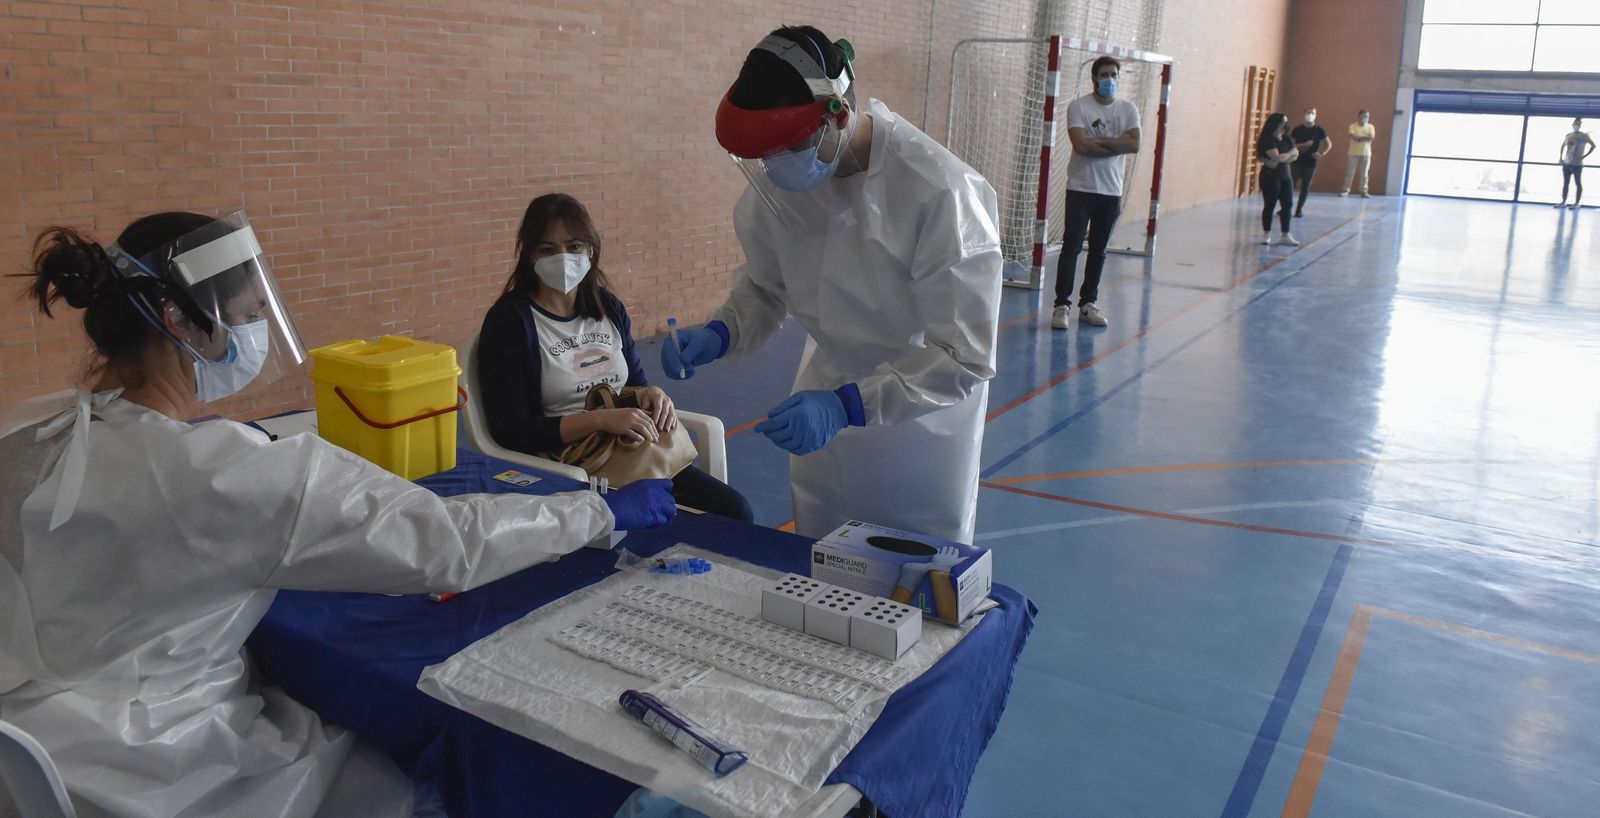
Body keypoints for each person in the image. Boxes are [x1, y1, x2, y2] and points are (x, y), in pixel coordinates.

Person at [0, 211, 675, 818]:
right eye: (248, 311)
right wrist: (596, 513)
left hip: (34, 754)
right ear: (178, 320)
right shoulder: (220, 472)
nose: (257, 328)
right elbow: (443, 543)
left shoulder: (30, 434)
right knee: (424, 781)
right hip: (166, 768)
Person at [660, 25, 1002, 543]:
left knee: (913, 577)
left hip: (922, 426)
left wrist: (848, 404)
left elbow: (963, 355)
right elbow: (765, 289)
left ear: (837, 114)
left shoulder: (940, 193)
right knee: (821, 559)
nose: (776, 164)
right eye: (764, 154)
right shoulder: (781, 190)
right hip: (825, 408)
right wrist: (721, 333)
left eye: (788, 146)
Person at [476, 193, 753, 521]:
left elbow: (635, 385)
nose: (563, 258)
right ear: (530, 255)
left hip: (630, 452)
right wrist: (600, 420)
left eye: (574, 246)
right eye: (548, 249)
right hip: (567, 467)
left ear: (591, 249)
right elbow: (512, 430)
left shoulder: (606, 307)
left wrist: (653, 395)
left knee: (735, 512)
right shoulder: (510, 321)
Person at [1051, 56, 1142, 329]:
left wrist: (1099, 141)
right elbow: (1080, 145)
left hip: (1111, 191)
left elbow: (1135, 144)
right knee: (1071, 247)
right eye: (1105, 75)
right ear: (1094, 78)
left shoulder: (1128, 109)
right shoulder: (1079, 107)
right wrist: (1117, 144)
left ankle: (1088, 303)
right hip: (1081, 188)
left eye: (1114, 75)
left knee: (1099, 250)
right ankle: (1061, 305)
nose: (1110, 80)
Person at [1257, 112, 1300, 246]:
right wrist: (1288, 155)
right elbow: (1276, 158)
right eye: (1283, 121)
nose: (1285, 124)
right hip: (1270, 176)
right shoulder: (1267, 139)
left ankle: (1285, 234)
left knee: (1287, 205)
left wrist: (1284, 156)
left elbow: (1295, 155)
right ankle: (1267, 234)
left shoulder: (1287, 139)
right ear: (1276, 123)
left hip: (1285, 175)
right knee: (1269, 205)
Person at [1289, 107, 1331, 218]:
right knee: (1290, 186)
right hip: (1296, 162)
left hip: (1310, 163)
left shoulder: (1319, 130)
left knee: (1305, 187)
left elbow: (1328, 144)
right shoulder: (1297, 129)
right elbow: (1291, 145)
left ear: (1316, 115)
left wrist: (1321, 153)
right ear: (1304, 114)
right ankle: (1286, 207)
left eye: (1312, 113)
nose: (1310, 115)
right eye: (1308, 113)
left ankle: (1299, 209)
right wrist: (1303, 145)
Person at [1556, 117, 1595, 210]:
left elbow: (1593, 145)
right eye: (1575, 124)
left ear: (1580, 125)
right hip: (1567, 163)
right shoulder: (1568, 135)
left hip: (1577, 164)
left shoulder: (1584, 136)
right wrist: (1561, 158)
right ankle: (1563, 201)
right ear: (1573, 125)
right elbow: (1562, 146)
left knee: (1578, 183)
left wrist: (1583, 156)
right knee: (1566, 183)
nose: (1576, 126)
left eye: (1578, 124)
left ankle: (1577, 203)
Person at [1340, 109, 1376, 198]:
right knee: (1350, 172)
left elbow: (1371, 137)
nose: (1365, 118)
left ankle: (1364, 191)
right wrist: (1364, 137)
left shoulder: (1371, 126)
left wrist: (1359, 138)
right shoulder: (1353, 126)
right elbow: (1353, 136)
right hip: (1353, 153)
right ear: (1359, 116)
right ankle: (1346, 190)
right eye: (1364, 116)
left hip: (1366, 153)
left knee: (1364, 174)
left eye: (1367, 116)